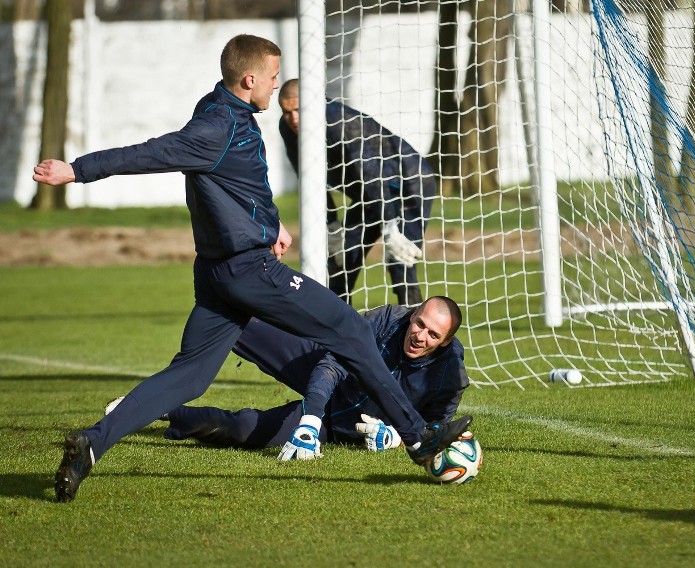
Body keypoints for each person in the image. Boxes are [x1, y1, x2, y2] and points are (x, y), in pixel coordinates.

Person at [33, 34, 471, 503]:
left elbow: (231, 182)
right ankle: (418, 438)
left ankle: (92, 443)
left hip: (219, 275)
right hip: (248, 270)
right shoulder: (215, 128)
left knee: (191, 376)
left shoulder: (224, 110)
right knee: (348, 327)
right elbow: (151, 152)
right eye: (272, 77)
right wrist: (78, 170)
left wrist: (270, 221)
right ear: (250, 79)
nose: (276, 86)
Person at [108, 297, 468, 455]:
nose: (419, 335)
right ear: (415, 313)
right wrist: (309, 419)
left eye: (433, 334)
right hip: (322, 375)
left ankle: (168, 412)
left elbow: (433, 429)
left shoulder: (450, 375)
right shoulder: (390, 320)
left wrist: (395, 437)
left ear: (446, 341)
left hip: (341, 427)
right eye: (419, 322)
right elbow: (332, 365)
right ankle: (156, 394)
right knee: (238, 319)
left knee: (241, 430)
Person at [278, 78, 436, 306]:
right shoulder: (287, 129)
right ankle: (336, 331)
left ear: (314, 102)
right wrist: (331, 226)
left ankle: (409, 330)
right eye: (286, 111)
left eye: (298, 109)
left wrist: (389, 227)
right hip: (369, 193)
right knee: (340, 261)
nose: (292, 118)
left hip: (410, 183)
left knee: (400, 262)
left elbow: (371, 173)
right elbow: (309, 180)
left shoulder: (338, 120)